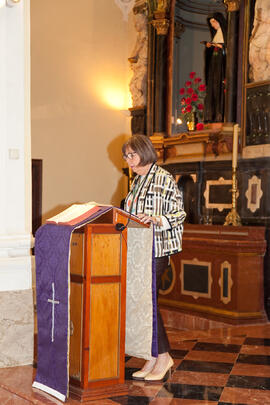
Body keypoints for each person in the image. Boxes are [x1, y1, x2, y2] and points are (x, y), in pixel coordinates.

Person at [122, 134, 186, 381]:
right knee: (142, 305)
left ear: (144, 152)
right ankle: (152, 355)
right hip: (137, 251)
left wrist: (157, 220)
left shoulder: (163, 178)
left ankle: (163, 356)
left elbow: (179, 213)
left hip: (156, 250)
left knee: (150, 304)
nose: (128, 161)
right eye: (126, 156)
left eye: (132, 155)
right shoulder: (137, 182)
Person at [203, 12, 227, 123]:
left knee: (219, 87)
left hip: (221, 65)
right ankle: (211, 115)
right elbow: (212, 51)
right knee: (212, 86)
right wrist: (209, 47)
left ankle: (219, 114)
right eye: (211, 23)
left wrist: (219, 46)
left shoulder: (225, 34)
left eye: (214, 23)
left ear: (219, 22)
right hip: (214, 64)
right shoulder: (216, 34)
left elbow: (226, 49)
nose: (212, 25)